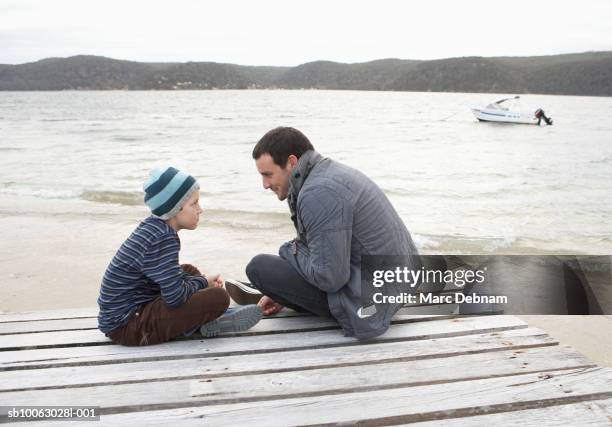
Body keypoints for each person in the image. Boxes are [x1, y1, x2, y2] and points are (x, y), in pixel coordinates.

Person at [243, 127, 419, 340]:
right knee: (291, 263)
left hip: (370, 304)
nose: (265, 185)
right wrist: (286, 292)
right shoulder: (329, 174)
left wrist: (289, 250)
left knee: (260, 268)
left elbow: (330, 278)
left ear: (291, 162)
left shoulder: (317, 192)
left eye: (268, 175)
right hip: (397, 288)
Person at [97, 166, 262, 346]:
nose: (200, 210)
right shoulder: (163, 237)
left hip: (130, 313)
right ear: (175, 208)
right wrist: (204, 282)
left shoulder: (154, 228)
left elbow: (170, 284)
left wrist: (198, 282)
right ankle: (204, 319)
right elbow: (175, 297)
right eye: (194, 204)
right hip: (130, 327)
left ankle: (206, 318)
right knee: (218, 297)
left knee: (187, 271)